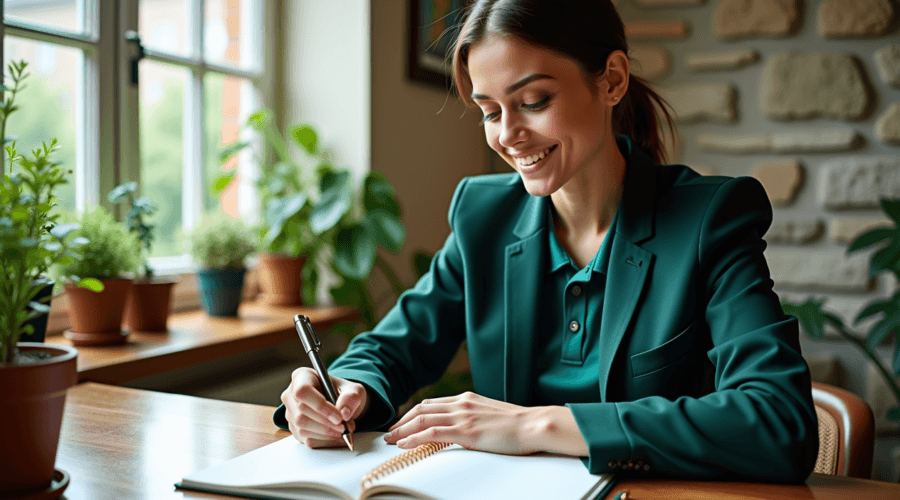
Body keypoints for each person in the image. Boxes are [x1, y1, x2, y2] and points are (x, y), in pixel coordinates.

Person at [276, 0, 819, 482]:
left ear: (611, 79)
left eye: (533, 101)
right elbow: (393, 346)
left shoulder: (709, 220)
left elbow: (778, 422)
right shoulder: (484, 215)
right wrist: (343, 390)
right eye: (490, 111)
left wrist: (535, 424)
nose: (507, 135)